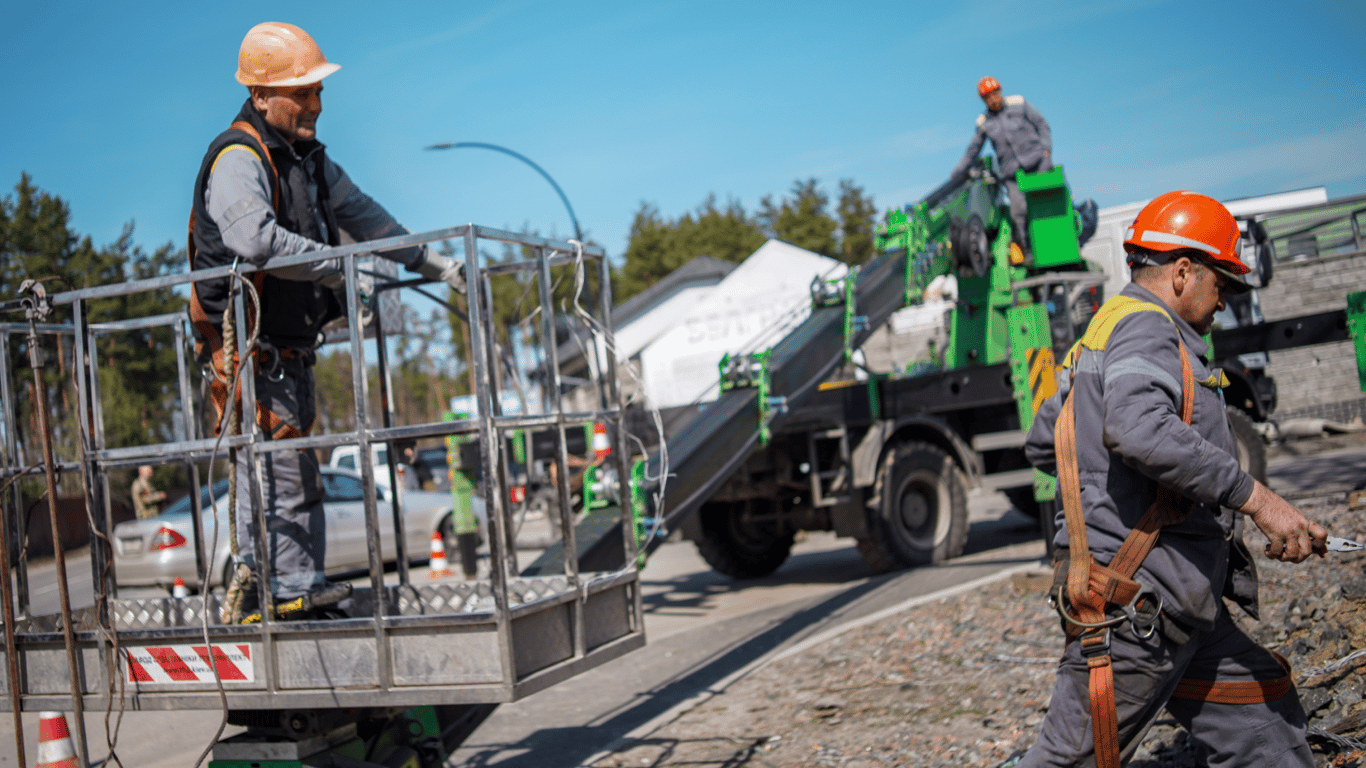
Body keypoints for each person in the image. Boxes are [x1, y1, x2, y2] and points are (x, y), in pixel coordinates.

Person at [1015, 191, 1326, 767]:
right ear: (1183, 271)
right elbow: (1138, 430)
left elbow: (1043, 441)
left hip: (1181, 607)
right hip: (1137, 612)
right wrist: (1256, 499)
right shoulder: (1149, 330)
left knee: (1265, 726)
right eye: (1222, 284)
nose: (1224, 303)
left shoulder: (1099, 333)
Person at [189, 22, 466, 622]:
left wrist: (432, 262)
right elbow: (254, 240)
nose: (316, 103)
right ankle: (276, 592)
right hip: (249, 356)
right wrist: (336, 271)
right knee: (277, 477)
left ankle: (296, 591)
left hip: (290, 351)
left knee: (298, 477)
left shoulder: (310, 161)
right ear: (261, 96)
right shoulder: (240, 158)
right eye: (302, 92)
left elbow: (366, 217)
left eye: (317, 90)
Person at [950, 76, 1052, 253]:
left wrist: (1046, 151)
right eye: (988, 98)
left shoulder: (1019, 103)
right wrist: (957, 174)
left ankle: (1055, 243)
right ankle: (1028, 251)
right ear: (984, 100)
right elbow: (973, 151)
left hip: (1037, 163)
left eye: (995, 94)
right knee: (1018, 212)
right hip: (1013, 174)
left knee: (1047, 202)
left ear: (1000, 92)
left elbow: (1042, 124)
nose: (993, 100)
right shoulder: (984, 122)